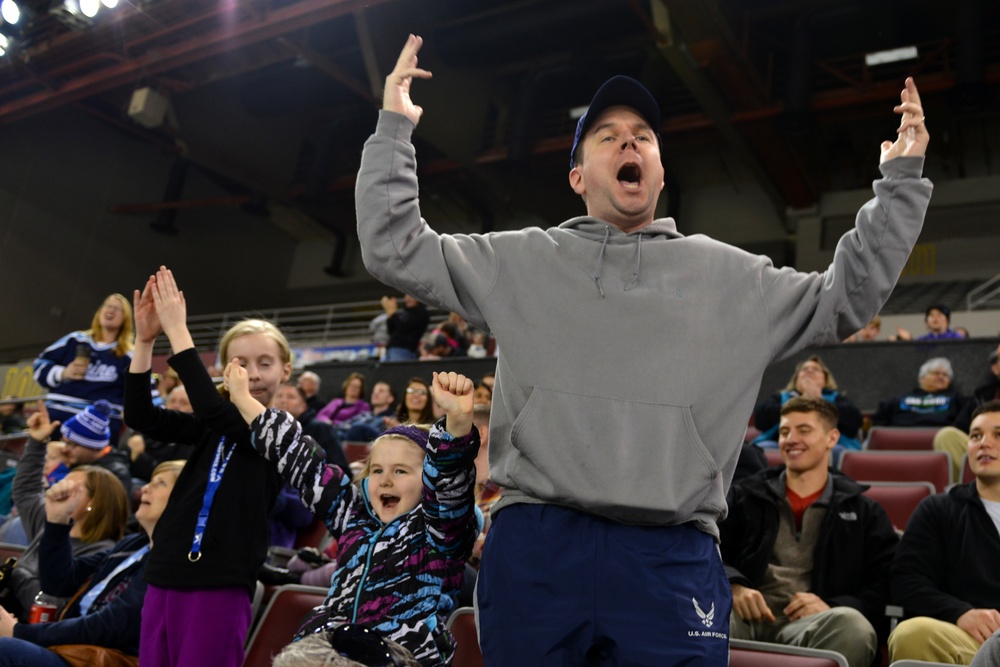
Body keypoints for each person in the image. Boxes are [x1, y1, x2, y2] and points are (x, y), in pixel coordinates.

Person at [355, 33, 931, 664]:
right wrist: (394, 130)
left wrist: (898, 183)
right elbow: (394, 247)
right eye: (606, 135)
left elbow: (845, 297)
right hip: (539, 548)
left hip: (672, 555)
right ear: (577, 176)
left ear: (659, 172)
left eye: (643, 136)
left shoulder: (736, 278)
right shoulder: (516, 259)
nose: (629, 141)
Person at [228, 366, 480, 667]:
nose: (385, 480)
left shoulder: (440, 530)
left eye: (400, 470)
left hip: (401, 657)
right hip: (329, 650)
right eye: (377, 470)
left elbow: (450, 483)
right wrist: (243, 399)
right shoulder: (353, 516)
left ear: (428, 479)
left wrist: (458, 422)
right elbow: (299, 459)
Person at [124, 267, 284, 667]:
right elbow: (141, 416)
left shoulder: (282, 431)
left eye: (265, 363)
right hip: (164, 572)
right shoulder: (211, 426)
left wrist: (179, 331)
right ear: (226, 372)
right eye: (240, 362)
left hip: (220, 582)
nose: (253, 374)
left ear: (287, 371)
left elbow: (214, 409)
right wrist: (145, 342)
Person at [720, 397, 897, 667]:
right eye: (784, 431)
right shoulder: (745, 495)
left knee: (853, 626)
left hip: (812, 625)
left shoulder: (864, 511)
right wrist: (734, 585)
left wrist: (832, 604)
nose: (791, 439)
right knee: (707, 616)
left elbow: (885, 583)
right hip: (746, 617)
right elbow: (709, 549)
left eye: (804, 430)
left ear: (832, 437)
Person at [0, 460, 184, 666]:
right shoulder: (132, 544)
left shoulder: (171, 561)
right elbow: (57, 583)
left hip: (97, 658)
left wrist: (19, 632)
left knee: (5, 649)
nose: (145, 488)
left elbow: (110, 626)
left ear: (185, 500)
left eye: (160, 483)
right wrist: (58, 520)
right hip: (70, 648)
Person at [888, 400, 1000, 664]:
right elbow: (906, 582)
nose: (984, 443)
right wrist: (961, 613)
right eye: (975, 436)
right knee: (912, 634)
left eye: (998, 434)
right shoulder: (938, 509)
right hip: (972, 639)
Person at [4, 403, 129, 620]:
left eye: (69, 490)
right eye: (62, 484)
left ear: (94, 503)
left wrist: (17, 575)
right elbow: (25, 491)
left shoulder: (101, 553)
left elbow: (52, 609)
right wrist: (36, 442)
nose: (56, 491)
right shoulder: (50, 521)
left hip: (33, 637)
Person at [33, 294, 135, 438]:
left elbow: (143, 390)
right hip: (59, 412)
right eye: (107, 306)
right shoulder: (75, 340)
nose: (111, 310)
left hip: (99, 421)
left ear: (126, 318)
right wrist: (63, 373)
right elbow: (39, 365)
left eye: (117, 309)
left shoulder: (129, 354)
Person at [752, 356, 864, 452]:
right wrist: (800, 402)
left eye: (815, 369)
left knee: (835, 451)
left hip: (831, 445)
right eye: (804, 369)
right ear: (796, 379)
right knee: (764, 449)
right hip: (779, 443)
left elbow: (855, 421)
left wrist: (818, 400)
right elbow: (760, 420)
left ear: (825, 379)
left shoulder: (836, 398)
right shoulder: (781, 397)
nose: (809, 371)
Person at [935, 345, 1000, 479]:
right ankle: (965, 495)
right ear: (995, 368)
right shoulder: (981, 395)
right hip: (987, 449)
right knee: (947, 436)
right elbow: (960, 427)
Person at [52, 400, 133, 495]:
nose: (64, 449)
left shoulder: (115, 476)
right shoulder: (72, 461)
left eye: (71, 445)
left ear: (93, 447)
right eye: (64, 443)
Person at [873, 357, 970, 429]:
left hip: (941, 436)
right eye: (936, 373)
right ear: (922, 378)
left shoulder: (957, 399)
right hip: (901, 436)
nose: (941, 377)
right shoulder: (898, 400)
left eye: (945, 375)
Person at [124, 385, 196, 483]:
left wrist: (139, 456)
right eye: (172, 401)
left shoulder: (192, 440)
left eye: (183, 403)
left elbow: (170, 477)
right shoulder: (152, 428)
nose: (175, 406)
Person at [275, 383, 350, 471]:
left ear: (304, 406)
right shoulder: (269, 431)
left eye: (291, 397)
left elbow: (340, 469)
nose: (283, 401)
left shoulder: (321, 429)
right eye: (279, 396)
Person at [382, 294, 430, 361]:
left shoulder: (421, 313)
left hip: (403, 350)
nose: (407, 298)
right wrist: (390, 314)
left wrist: (393, 314)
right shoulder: (406, 312)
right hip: (392, 349)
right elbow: (392, 331)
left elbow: (403, 328)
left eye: (410, 296)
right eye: (406, 296)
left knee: (397, 370)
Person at [894, 304, 965, 341]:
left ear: (947, 320)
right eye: (931, 315)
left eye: (939, 315)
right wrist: (909, 341)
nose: (935, 318)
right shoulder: (922, 340)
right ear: (927, 322)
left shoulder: (957, 338)